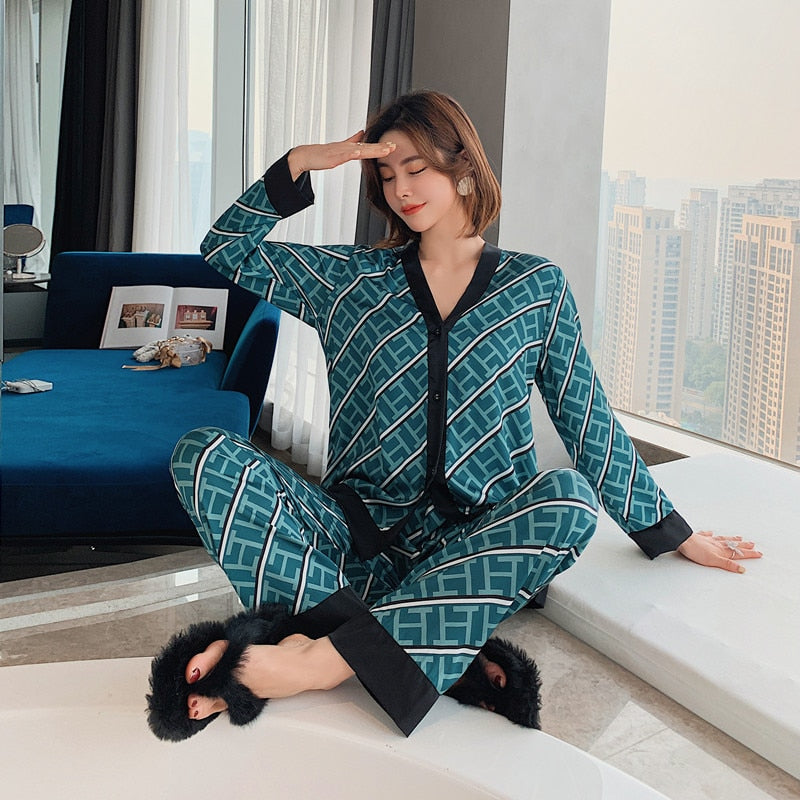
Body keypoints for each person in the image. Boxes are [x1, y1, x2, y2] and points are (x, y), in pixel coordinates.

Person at [168, 91, 761, 737]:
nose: (400, 189)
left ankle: (320, 657)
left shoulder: (535, 287)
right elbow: (226, 249)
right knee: (204, 455)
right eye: (386, 175)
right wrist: (303, 162)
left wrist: (671, 532)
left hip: (475, 547)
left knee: (568, 498)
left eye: (416, 168)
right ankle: (413, 643)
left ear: (465, 170)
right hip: (360, 534)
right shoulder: (351, 279)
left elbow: (586, 418)